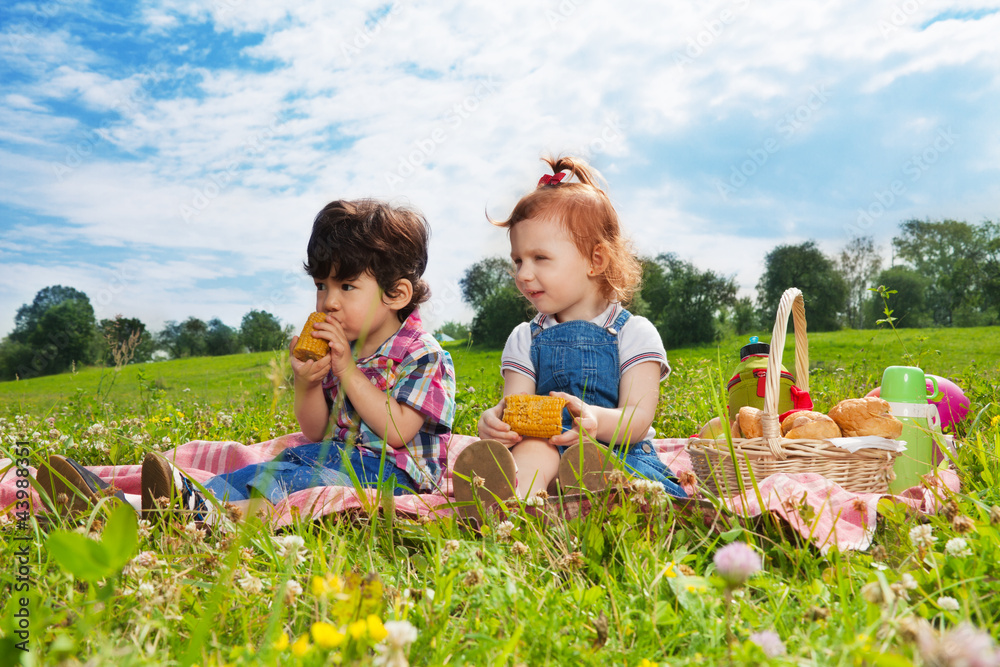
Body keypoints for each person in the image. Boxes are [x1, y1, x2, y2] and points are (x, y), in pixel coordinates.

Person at [38, 199, 456, 521]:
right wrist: (308, 383)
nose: (327, 301)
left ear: (396, 294)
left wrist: (347, 372)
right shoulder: (339, 348)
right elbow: (316, 431)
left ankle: (191, 514)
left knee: (287, 484)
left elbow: (398, 431)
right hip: (330, 456)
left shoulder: (422, 353)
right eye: (320, 285)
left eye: (346, 286)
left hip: (396, 475)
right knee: (264, 473)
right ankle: (127, 504)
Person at [453, 156, 685, 519]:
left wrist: (593, 419)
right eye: (517, 261)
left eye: (540, 258)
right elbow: (516, 406)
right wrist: (494, 422)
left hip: (614, 450)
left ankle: (585, 499)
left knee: (603, 469)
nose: (524, 274)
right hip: (546, 449)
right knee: (533, 449)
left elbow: (637, 419)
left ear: (595, 260)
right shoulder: (525, 338)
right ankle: (515, 509)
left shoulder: (633, 332)